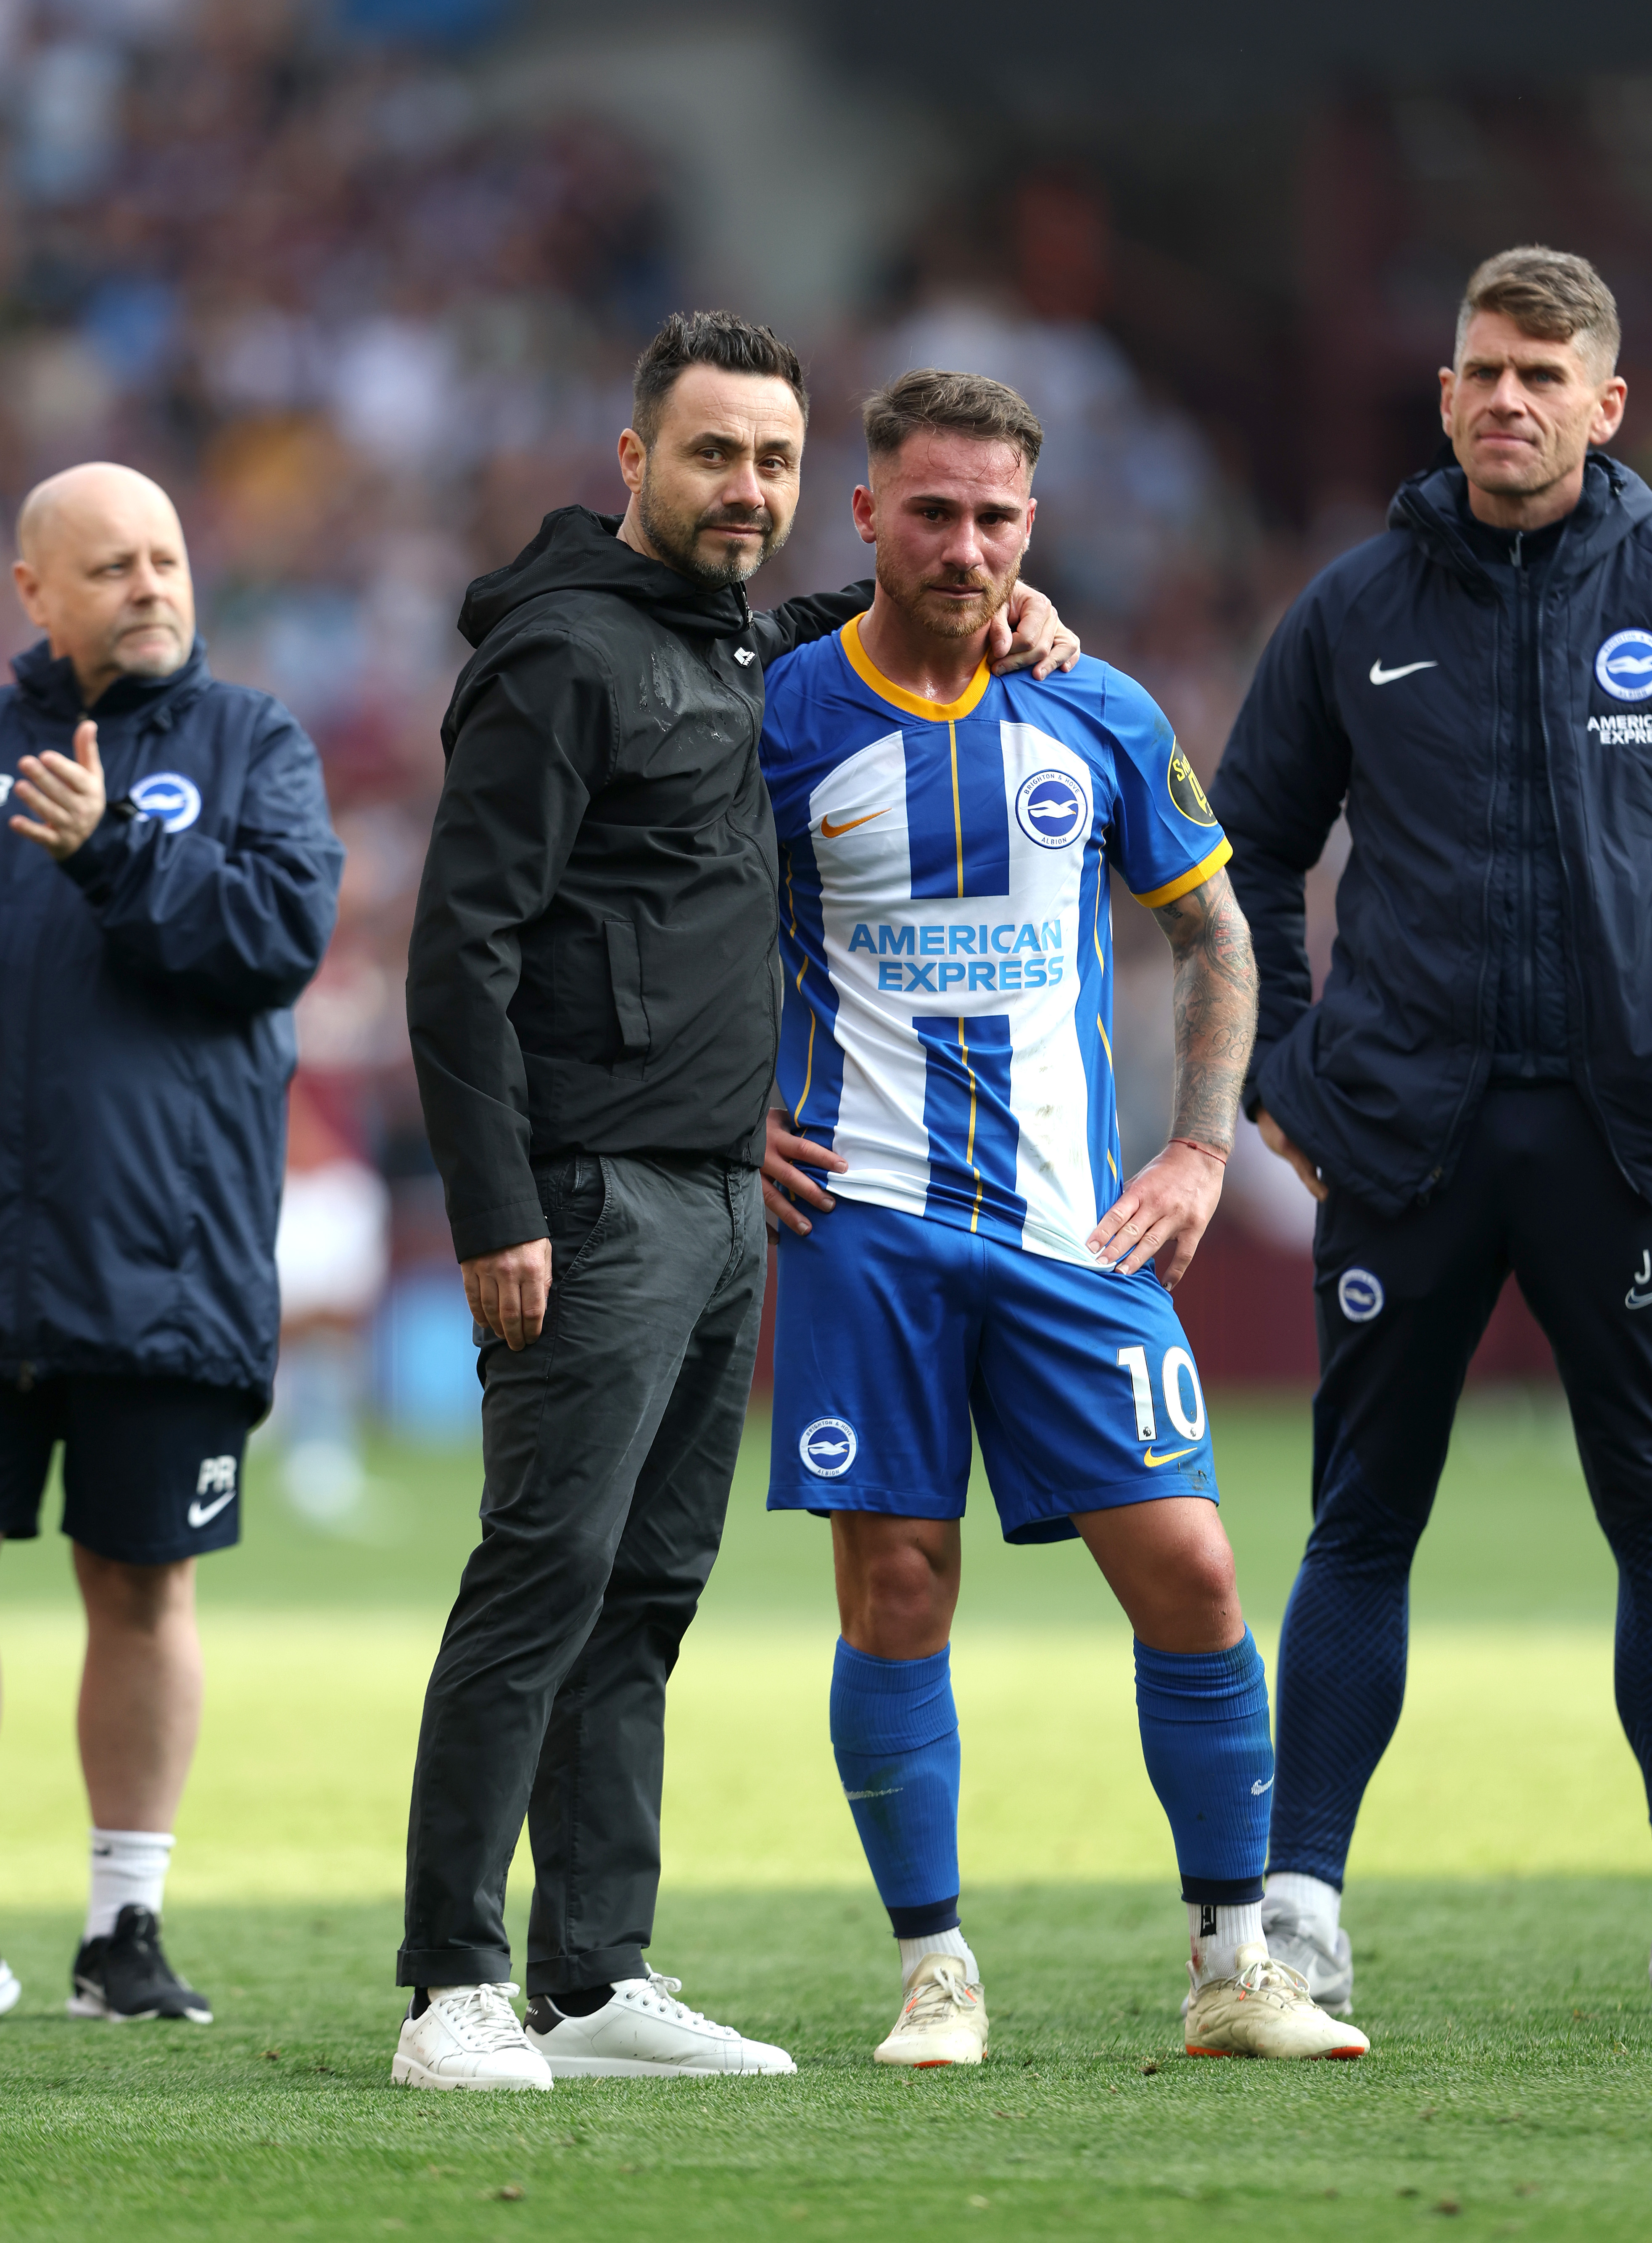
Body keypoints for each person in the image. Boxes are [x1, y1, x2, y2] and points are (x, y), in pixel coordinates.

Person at [393, 312, 1076, 2092]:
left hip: (716, 1201)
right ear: (633, 461)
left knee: (646, 1590)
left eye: (771, 462)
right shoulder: (559, 659)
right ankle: (453, 1985)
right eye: (711, 453)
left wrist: (1010, 611)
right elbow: (456, 948)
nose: (745, 489)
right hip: (587, 1196)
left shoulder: (719, 646)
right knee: (541, 1573)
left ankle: (594, 1971)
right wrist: (494, 1207)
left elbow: (816, 640)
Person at [758, 367, 1367, 2064]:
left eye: (994, 516)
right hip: (861, 1221)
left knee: (1190, 1567)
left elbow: (1222, 934)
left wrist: (1190, 1150)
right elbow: (657, 922)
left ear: (1035, 524)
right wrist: (727, 1112)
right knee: (897, 1586)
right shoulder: (782, 714)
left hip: (1064, 1229)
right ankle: (932, 1969)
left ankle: (1233, 1961)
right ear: (866, 512)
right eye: (931, 510)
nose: (963, 544)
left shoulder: (1092, 706)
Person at [1212, 245, 1652, 2012]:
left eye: (1541, 373)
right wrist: (1284, 1073)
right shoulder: (1353, 606)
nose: (1504, 399)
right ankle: (1299, 1895)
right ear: (1447, 391)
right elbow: (1232, 847)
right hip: (1405, 1139)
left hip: (1624, 1142)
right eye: (1479, 370)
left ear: (1603, 401)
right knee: (1358, 1519)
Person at [0, 462, 343, 2023]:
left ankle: (120, 1934)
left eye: (168, 558)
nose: (151, 585)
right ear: (37, 594)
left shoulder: (251, 742)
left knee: (143, 1588)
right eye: (113, 565)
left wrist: (110, 854)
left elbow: (277, 941)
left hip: (167, 1256)